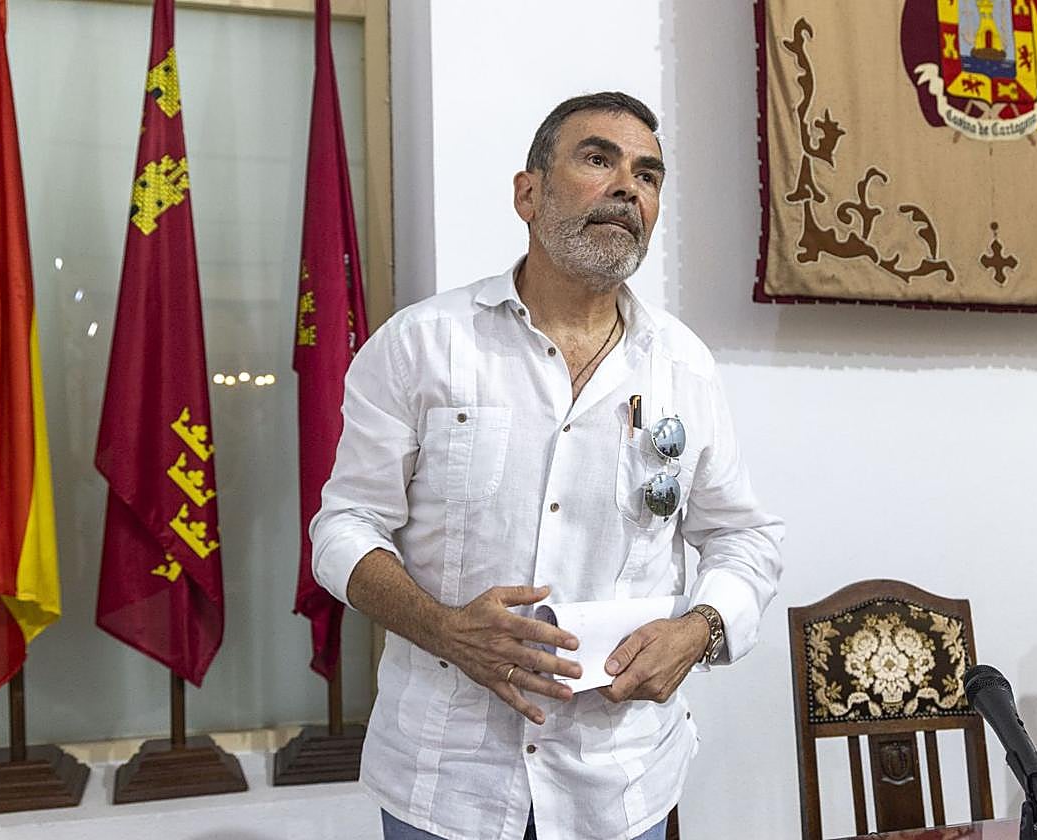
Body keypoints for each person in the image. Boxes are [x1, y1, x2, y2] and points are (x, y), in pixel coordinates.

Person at [310, 91, 784, 840]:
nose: (629, 187)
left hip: (620, 784)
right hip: (446, 783)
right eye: (598, 159)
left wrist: (700, 628)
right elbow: (344, 528)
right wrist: (445, 629)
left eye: (649, 175)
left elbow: (745, 538)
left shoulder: (683, 366)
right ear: (527, 194)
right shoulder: (423, 345)